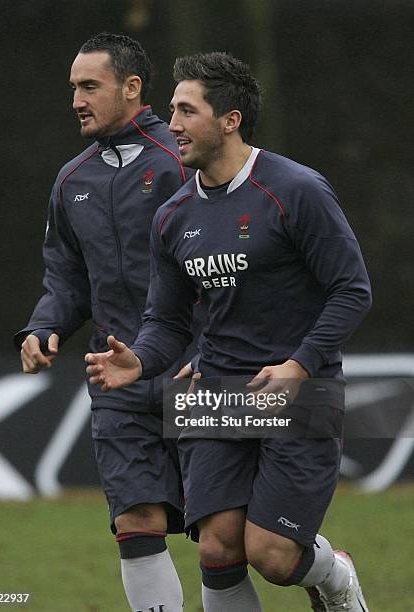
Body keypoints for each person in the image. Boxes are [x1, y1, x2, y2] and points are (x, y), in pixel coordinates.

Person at [85, 52, 372, 612]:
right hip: (214, 392)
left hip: (297, 392)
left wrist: (300, 363)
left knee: (271, 554)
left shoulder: (296, 190)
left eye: (187, 111)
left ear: (230, 119)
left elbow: (352, 289)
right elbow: (166, 321)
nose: (172, 125)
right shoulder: (171, 216)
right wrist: (141, 361)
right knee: (216, 546)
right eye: (171, 110)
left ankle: (334, 576)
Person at [14, 32, 197, 612]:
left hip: (199, 371)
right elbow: (66, 279)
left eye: (89, 86)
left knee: (235, 540)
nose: (76, 100)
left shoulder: (183, 160)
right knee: (136, 527)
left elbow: (231, 268)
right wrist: (43, 327)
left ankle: (326, 569)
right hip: (115, 376)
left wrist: (214, 347)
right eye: (73, 88)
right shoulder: (72, 181)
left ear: (132, 87)